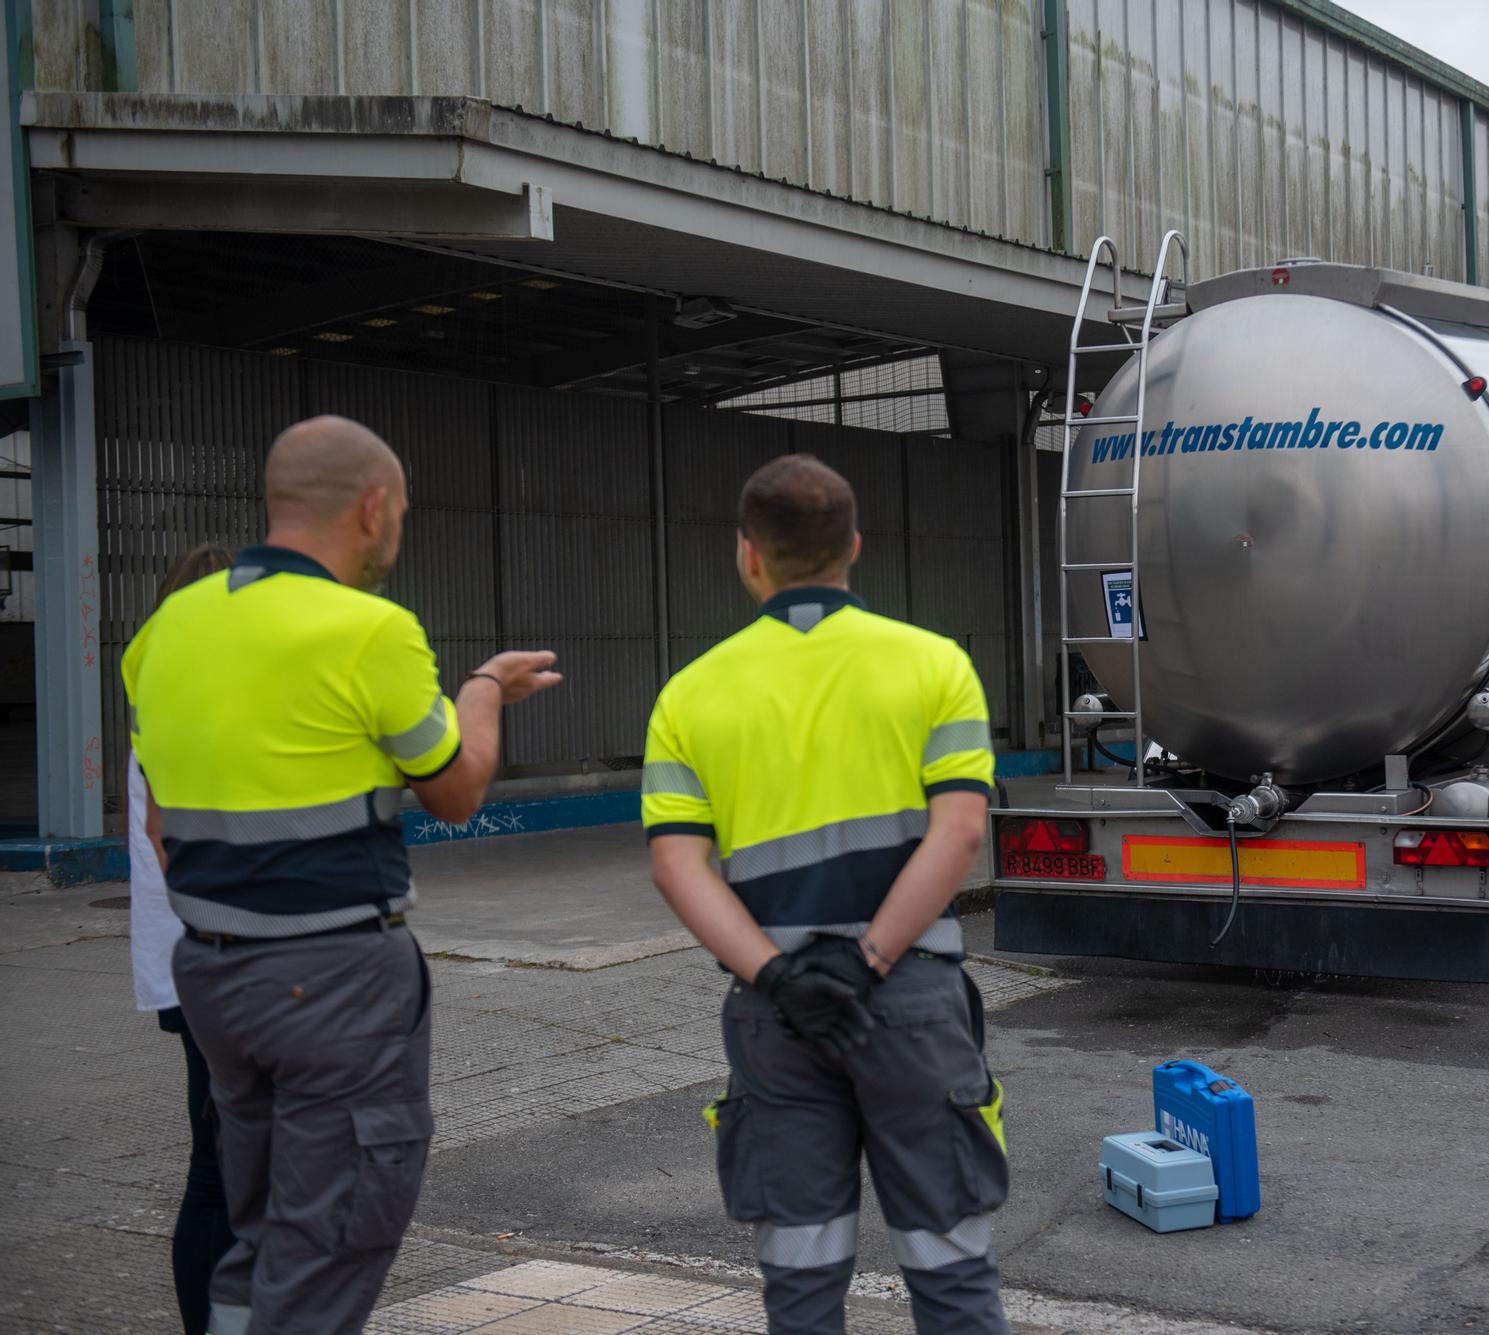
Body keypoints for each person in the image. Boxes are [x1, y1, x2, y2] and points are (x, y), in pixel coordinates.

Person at [121, 415, 561, 1335]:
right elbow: (456, 790)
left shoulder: (167, 630)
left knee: (263, 1230)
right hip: (333, 984)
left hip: (212, 976)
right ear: (373, 508)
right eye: (398, 510)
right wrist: (481, 689)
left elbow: (161, 824)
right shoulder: (370, 630)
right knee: (333, 1238)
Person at [644, 453, 1009, 1335]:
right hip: (911, 1000)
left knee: (801, 1283)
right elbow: (958, 831)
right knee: (952, 1270)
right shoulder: (936, 665)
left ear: (748, 555)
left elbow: (677, 865)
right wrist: (872, 957)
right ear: (853, 545)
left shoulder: (688, 694)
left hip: (779, 1018)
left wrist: (778, 976)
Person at [127, 542, 237, 1335]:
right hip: (213, 960)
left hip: (193, 960)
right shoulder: (195, 702)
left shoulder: (163, 690)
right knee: (224, 1172)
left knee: (228, 1165)